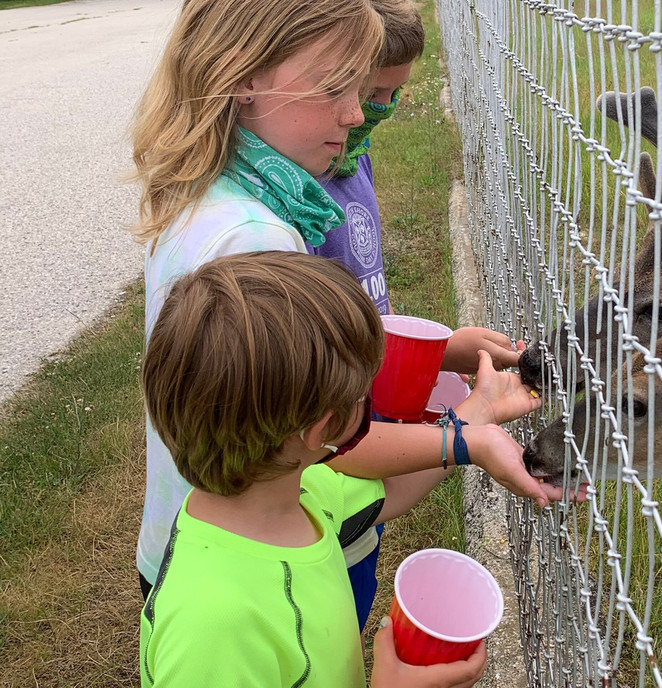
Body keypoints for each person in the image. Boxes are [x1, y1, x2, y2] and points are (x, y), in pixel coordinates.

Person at [130, 0, 567, 599]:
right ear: (242, 74)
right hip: (258, 574)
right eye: (336, 87)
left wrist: (443, 364)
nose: (357, 113)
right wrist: (467, 430)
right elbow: (323, 440)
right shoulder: (257, 245)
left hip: (204, 542)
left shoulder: (217, 194)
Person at [140, 250, 532, 687]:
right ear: (323, 429)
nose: (370, 399)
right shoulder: (212, 626)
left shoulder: (302, 494)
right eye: (368, 389)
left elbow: (392, 490)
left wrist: (478, 417)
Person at [292, 0, 526, 631]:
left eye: (394, 96)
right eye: (367, 96)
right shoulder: (283, 208)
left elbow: (359, 306)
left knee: (345, 603)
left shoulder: (346, 161)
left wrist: (441, 350)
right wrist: (463, 435)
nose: (374, 114)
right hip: (308, 471)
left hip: (341, 470)